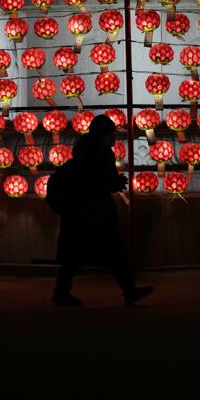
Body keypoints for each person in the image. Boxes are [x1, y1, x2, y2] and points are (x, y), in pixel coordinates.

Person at [53, 114, 154, 307]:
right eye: (112, 133)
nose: (114, 137)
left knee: (72, 253)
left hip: (76, 209)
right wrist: (116, 182)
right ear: (104, 134)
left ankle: (61, 292)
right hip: (96, 210)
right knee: (114, 250)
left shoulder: (81, 149)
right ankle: (128, 290)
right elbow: (100, 182)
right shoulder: (102, 153)